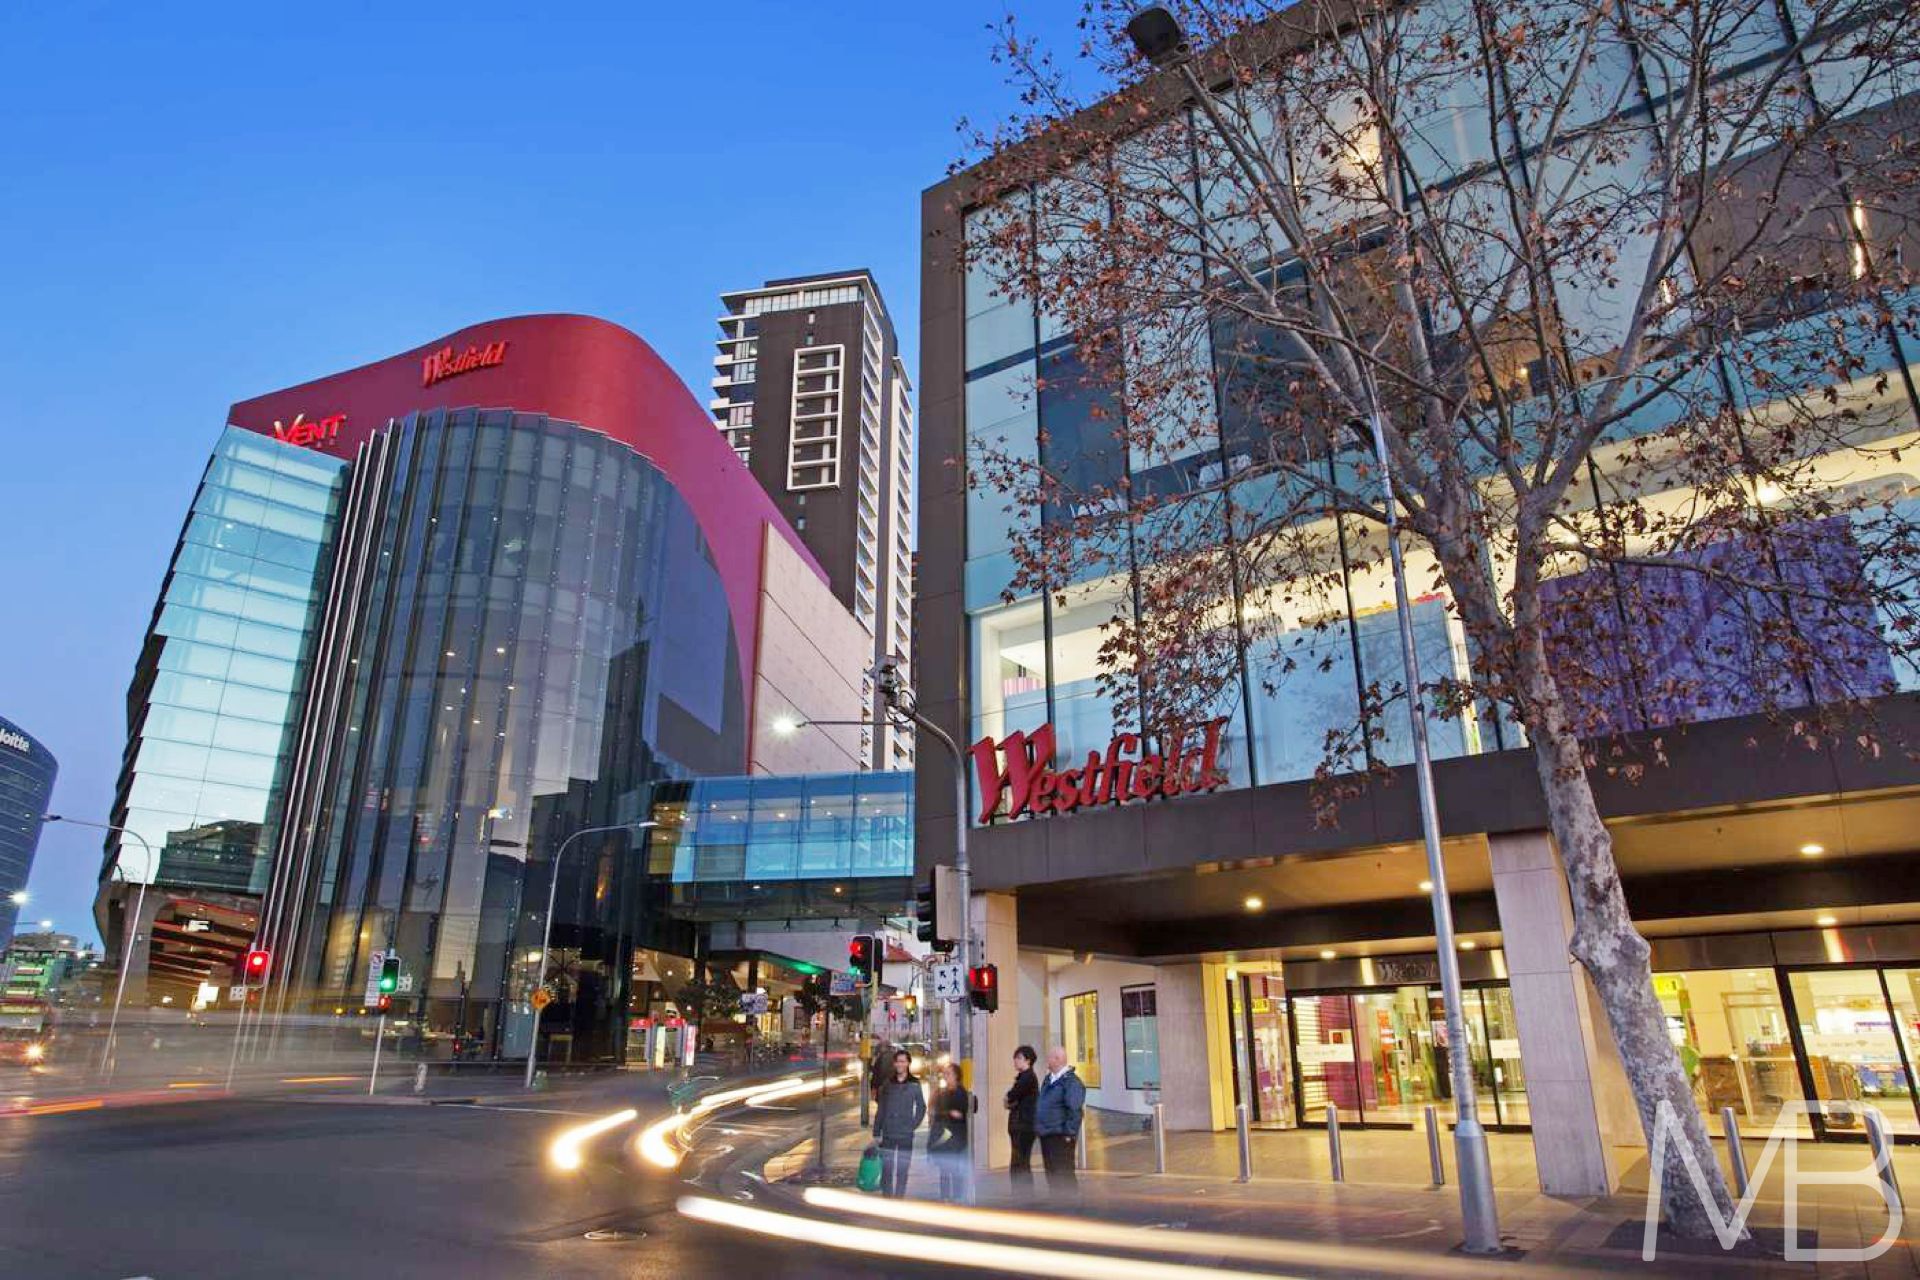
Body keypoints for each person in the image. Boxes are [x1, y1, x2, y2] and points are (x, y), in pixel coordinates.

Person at [871, 1048, 925, 1198]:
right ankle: (887, 1197)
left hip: (905, 1135)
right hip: (888, 1132)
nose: (900, 1064)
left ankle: (899, 1196)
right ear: (894, 1064)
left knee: (903, 1169)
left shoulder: (915, 1084)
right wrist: (877, 1131)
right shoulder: (887, 1084)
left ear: (908, 1063)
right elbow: (881, 1108)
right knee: (887, 1168)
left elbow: (921, 1107)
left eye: (903, 1061)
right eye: (898, 1061)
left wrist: (913, 1124)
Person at [1033, 1045, 1085, 1193]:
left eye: (1049, 1057)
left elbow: (1074, 1109)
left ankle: (1069, 1203)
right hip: (1047, 1134)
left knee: (1063, 1174)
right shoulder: (1048, 1079)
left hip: (1060, 1136)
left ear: (1057, 1059)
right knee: (1052, 1174)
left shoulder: (1071, 1082)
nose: (1047, 1060)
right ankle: (1057, 1201)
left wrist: (1069, 1133)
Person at [927, 1061, 973, 1202]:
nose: (945, 1076)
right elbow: (936, 1113)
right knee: (945, 1169)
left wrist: (946, 1113)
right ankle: (945, 1197)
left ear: (956, 1076)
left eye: (948, 1074)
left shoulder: (961, 1093)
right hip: (943, 1136)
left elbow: (960, 1113)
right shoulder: (941, 1093)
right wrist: (947, 1113)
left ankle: (958, 1197)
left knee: (956, 1169)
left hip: (957, 1137)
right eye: (944, 1074)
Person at [1004, 1045, 1039, 1187]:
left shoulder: (1027, 1077)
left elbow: (1010, 1096)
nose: (1015, 1060)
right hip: (1021, 1125)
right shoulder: (1023, 1077)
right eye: (1015, 1057)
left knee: (1020, 1163)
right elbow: (1010, 1099)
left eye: (1019, 1058)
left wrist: (1009, 1099)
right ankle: (1023, 1193)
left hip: (1023, 1126)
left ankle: (1023, 1193)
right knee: (1020, 1163)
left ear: (1028, 1060)